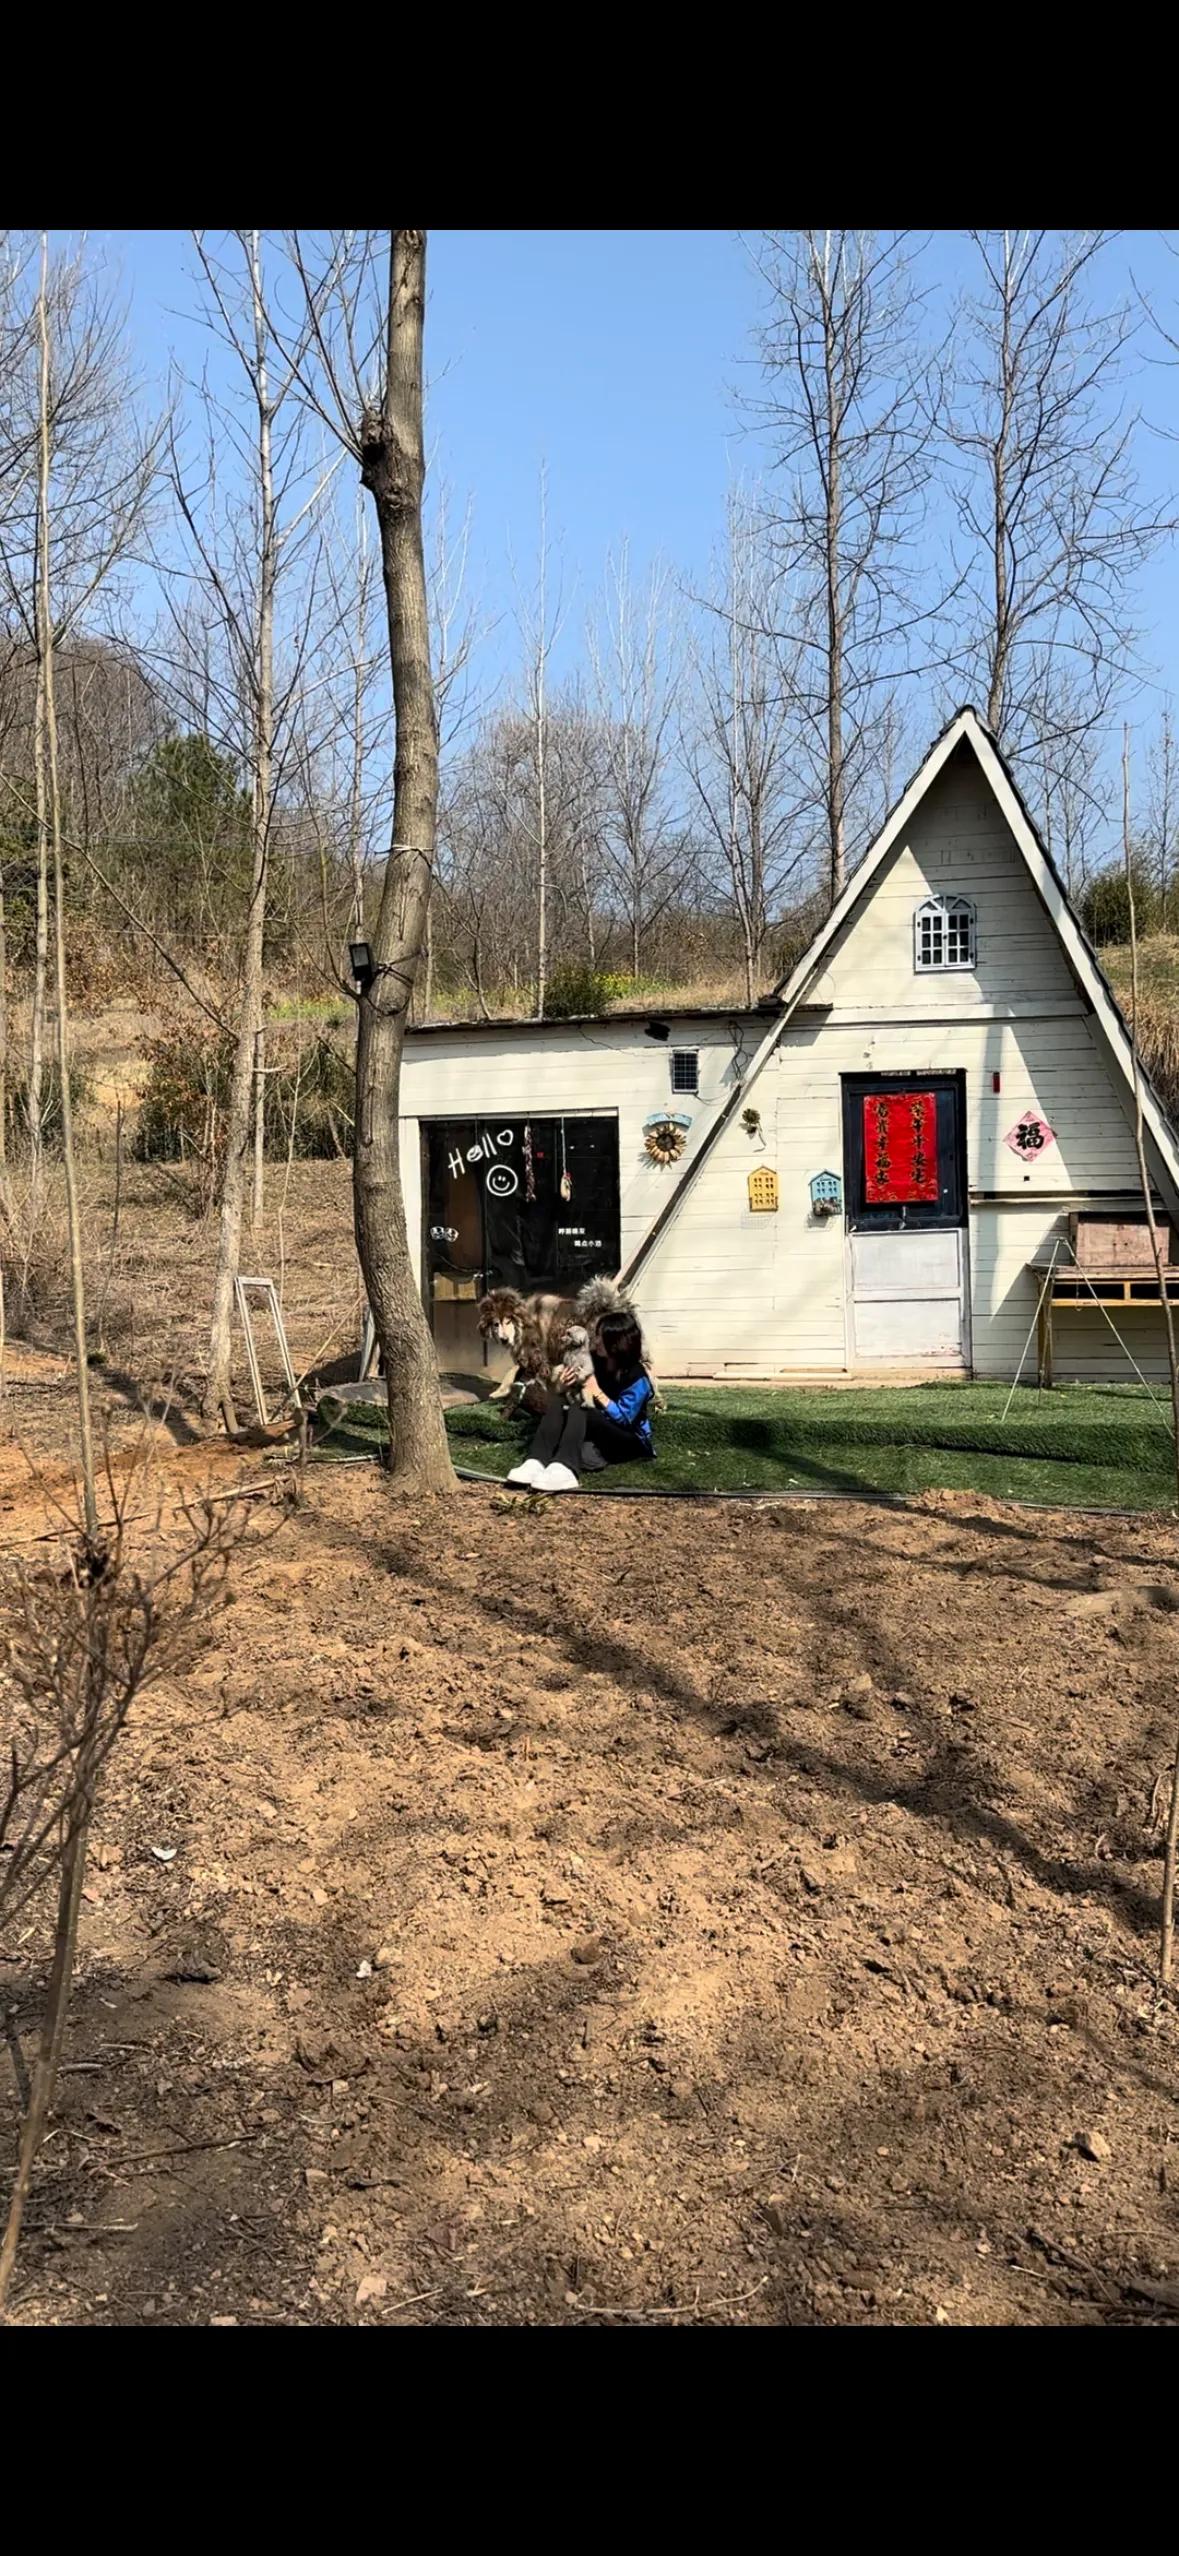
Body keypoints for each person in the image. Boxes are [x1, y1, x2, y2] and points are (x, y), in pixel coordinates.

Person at [506, 1309, 655, 1493]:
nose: (596, 1340)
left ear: (618, 1343)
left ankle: (566, 1468)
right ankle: (536, 1461)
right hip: (597, 1428)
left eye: (601, 1337)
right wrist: (562, 1385)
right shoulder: (594, 1360)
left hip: (628, 1439)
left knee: (582, 1405)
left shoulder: (637, 1377)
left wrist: (596, 1391)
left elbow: (625, 1419)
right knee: (564, 1399)